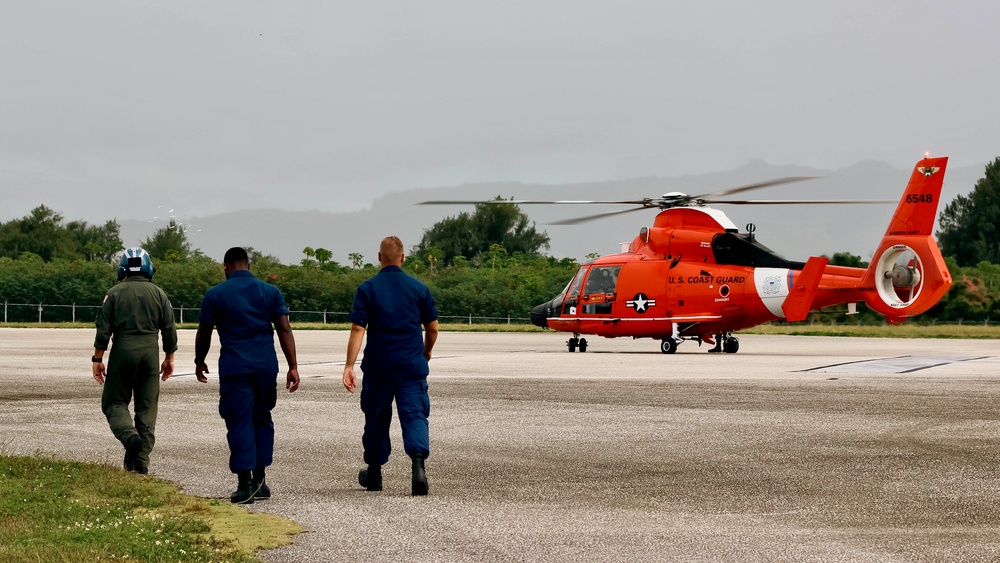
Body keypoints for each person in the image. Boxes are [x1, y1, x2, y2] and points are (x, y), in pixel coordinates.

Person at [194, 247, 300, 504]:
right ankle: (261, 481)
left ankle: (245, 484)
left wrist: (199, 361)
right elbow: (284, 329)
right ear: (248, 265)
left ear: (226, 267)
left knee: (239, 420)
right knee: (262, 418)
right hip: (265, 367)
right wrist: (293, 366)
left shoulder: (215, 294)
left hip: (235, 367)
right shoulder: (270, 291)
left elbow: (204, 331)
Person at [343, 236, 439, 496]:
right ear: (403, 258)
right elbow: (432, 327)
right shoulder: (419, 288)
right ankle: (418, 467)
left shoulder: (367, 288)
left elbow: (357, 329)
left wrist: (349, 365)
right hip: (411, 366)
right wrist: (426, 351)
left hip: (379, 367)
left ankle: (374, 473)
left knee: (375, 417)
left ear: (379, 257)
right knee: (414, 415)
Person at [92, 247, 177, 474]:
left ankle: (130, 437)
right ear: (149, 267)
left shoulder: (114, 293)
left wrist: (97, 359)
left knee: (114, 402)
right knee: (147, 408)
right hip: (150, 353)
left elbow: (103, 331)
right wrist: (169, 358)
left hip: (122, 351)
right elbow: (169, 330)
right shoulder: (160, 294)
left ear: (123, 268)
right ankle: (140, 463)